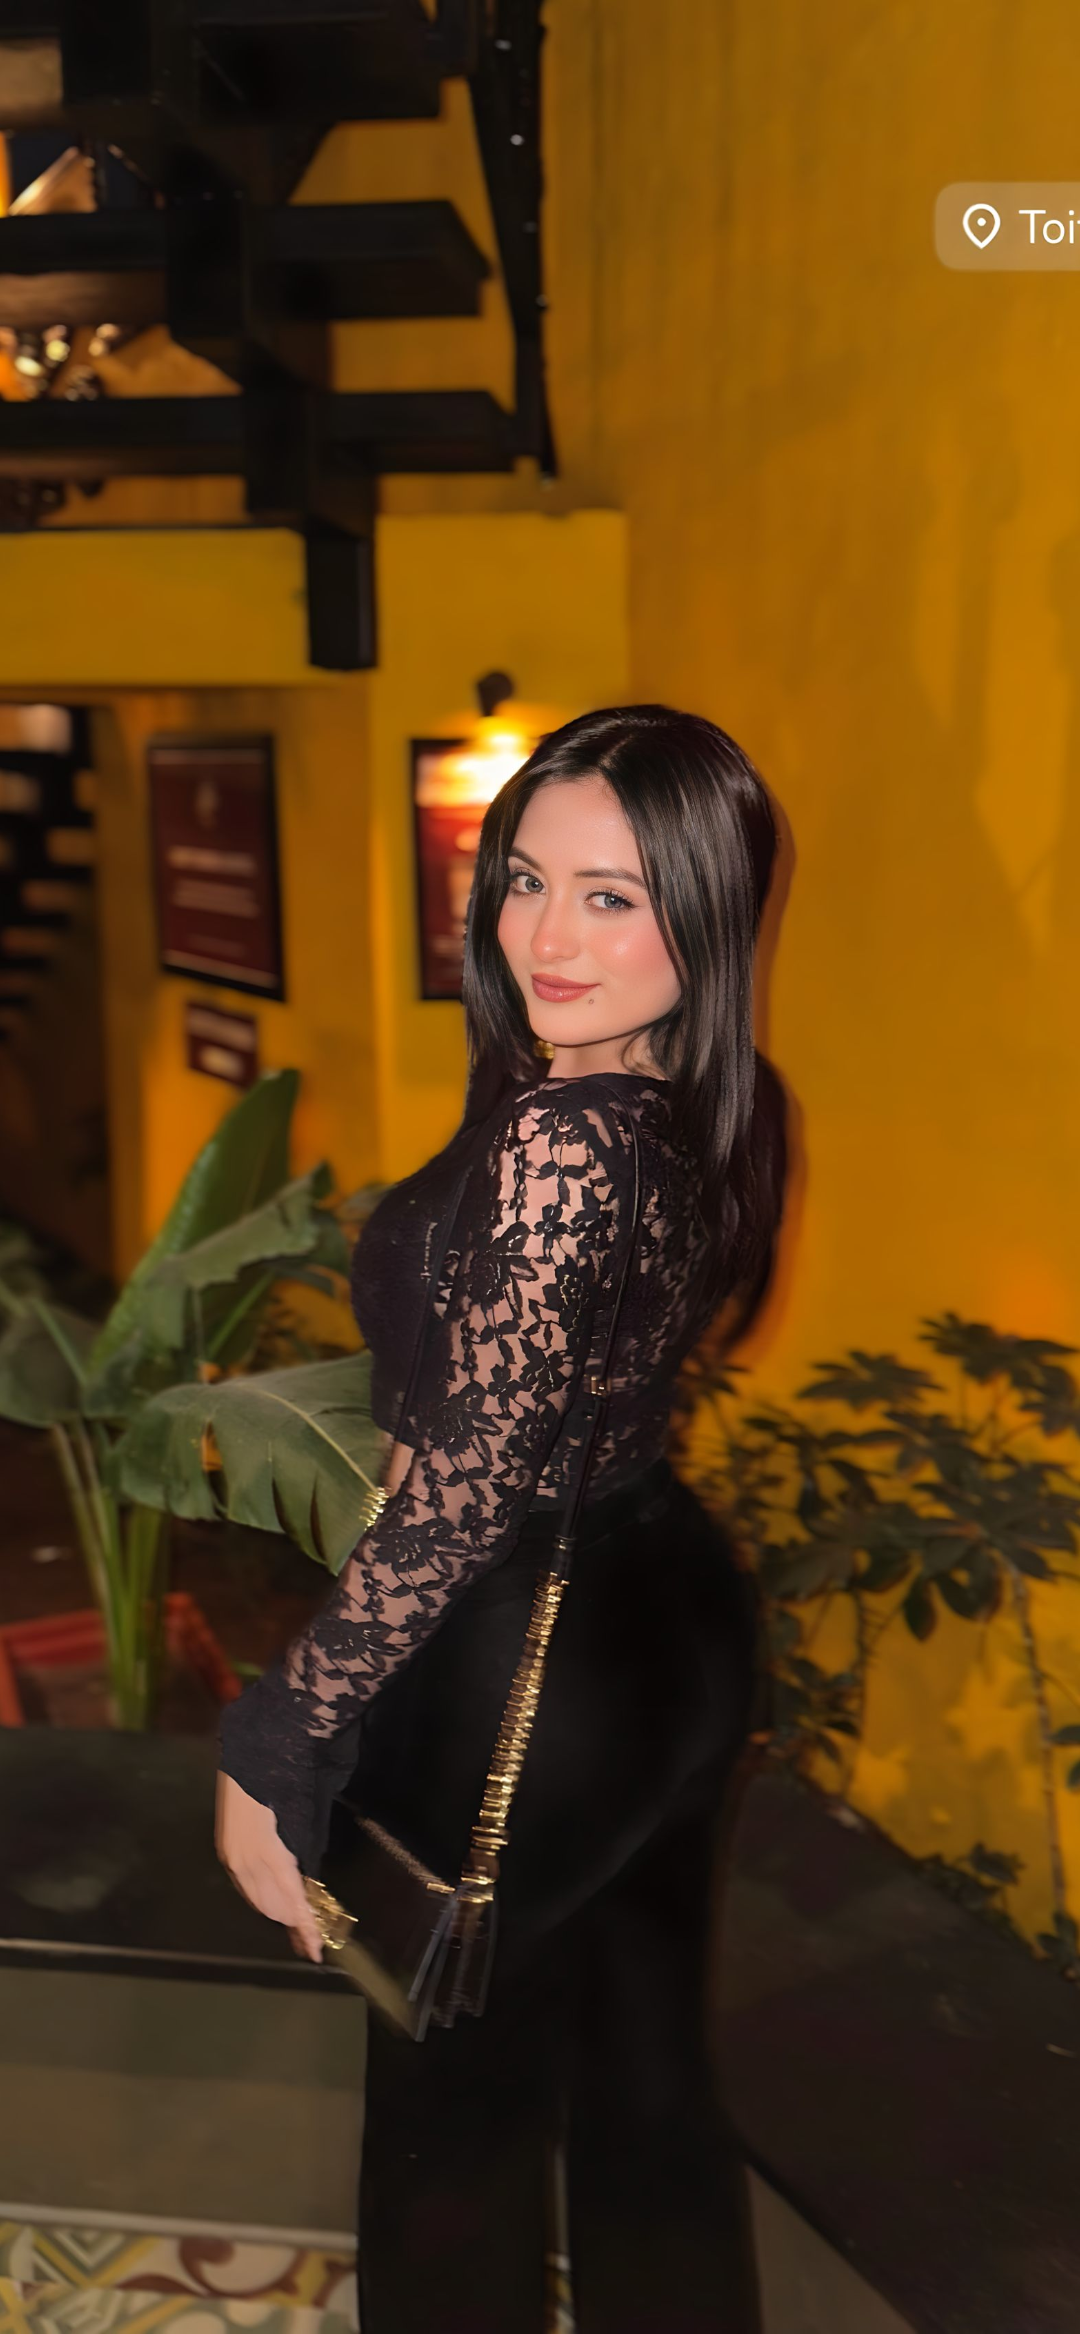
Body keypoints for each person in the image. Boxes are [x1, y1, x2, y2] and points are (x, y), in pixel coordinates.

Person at [216, 704, 787, 2334]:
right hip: (670, 1617)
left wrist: (279, 1738)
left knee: (446, 2138)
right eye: (526, 881)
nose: (547, 936)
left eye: (613, 897)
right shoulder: (715, 1095)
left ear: (707, 909)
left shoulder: (562, 1142)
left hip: (528, 1649)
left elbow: (460, 1495)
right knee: (647, 2078)